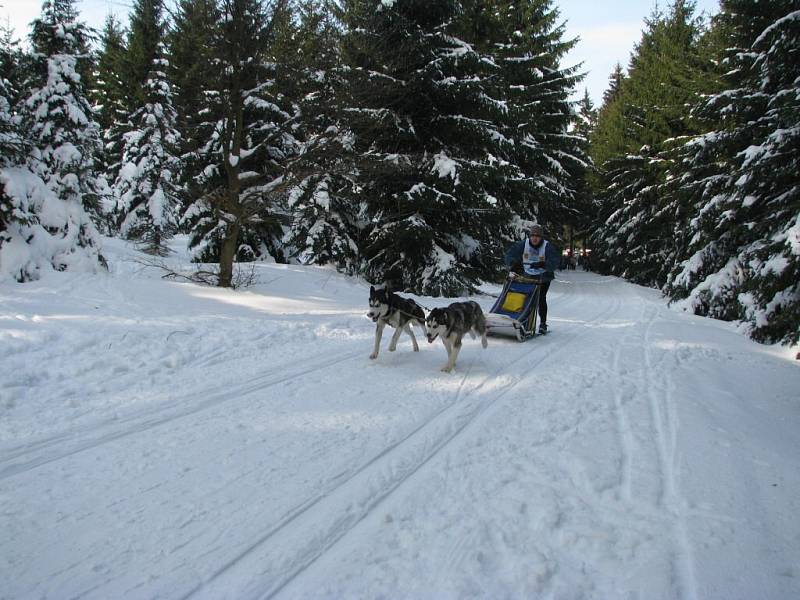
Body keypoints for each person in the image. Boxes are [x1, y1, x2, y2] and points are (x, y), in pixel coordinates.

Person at [504, 224, 559, 334]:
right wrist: (513, 263)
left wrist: (543, 264)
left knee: (540, 298)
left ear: (541, 237)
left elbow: (555, 262)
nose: (535, 238)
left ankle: (543, 323)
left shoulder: (547, 247)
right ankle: (522, 321)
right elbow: (510, 255)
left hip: (543, 276)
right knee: (524, 298)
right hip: (528, 274)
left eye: (537, 236)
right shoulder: (523, 245)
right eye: (532, 235)